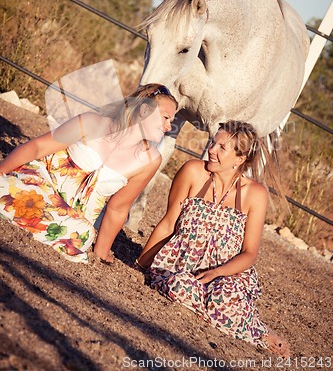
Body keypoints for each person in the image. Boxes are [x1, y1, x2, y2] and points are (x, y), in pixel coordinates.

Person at [136, 120, 290, 357]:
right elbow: (168, 222)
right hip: (182, 265)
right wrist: (142, 263)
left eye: (221, 148)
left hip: (227, 271)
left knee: (223, 298)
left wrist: (218, 273)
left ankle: (259, 332)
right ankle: (242, 323)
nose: (211, 150)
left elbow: (249, 253)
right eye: (213, 143)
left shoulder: (255, 194)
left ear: (239, 159)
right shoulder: (193, 172)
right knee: (180, 287)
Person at [0, 83, 177, 264]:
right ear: (145, 110)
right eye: (166, 117)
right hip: (40, 184)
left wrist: (102, 250)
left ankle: (22, 216)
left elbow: (118, 208)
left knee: (82, 235)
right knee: (14, 189)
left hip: (73, 217)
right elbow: (38, 147)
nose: (169, 126)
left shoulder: (150, 160)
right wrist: (1, 171)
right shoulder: (92, 123)